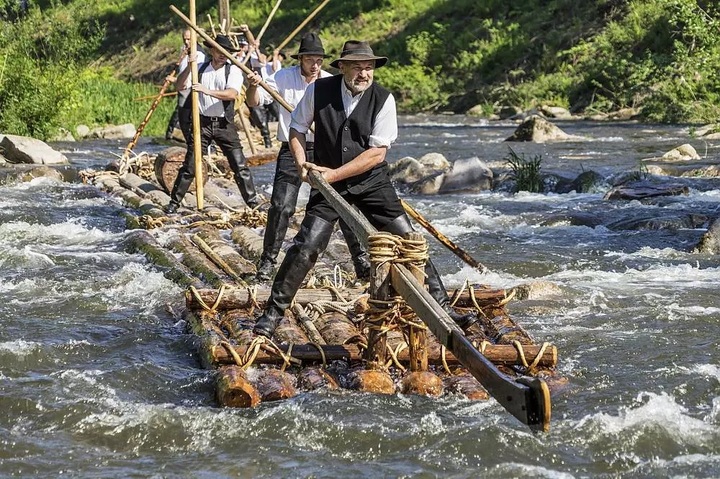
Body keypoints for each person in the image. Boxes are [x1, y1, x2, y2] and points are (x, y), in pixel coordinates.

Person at [253, 40, 476, 338]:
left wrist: (333, 175)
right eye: (357, 66)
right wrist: (302, 162)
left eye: (368, 67)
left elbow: (376, 155)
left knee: (409, 241)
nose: (363, 73)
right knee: (306, 247)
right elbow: (296, 129)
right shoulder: (318, 91)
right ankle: (272, 314)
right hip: (327, 185)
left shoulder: (384, 99)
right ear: (342, 67)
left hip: (371, 183)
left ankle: (442, 309)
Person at [245, 33, 370, 282]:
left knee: (343, 205)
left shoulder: (331, 82)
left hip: (325, 151)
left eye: (319, 60)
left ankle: (362, 262)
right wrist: (252, 85)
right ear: (300, 59)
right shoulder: (282, 77)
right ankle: (267, 263)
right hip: (292, 149)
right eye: (310, 59)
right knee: (282, 206)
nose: (315, 65)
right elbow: (255, 102)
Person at [165, 34, 260, 214]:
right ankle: (174, 203)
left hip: (224, 124)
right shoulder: (200, 69)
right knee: (191, 165)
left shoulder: (232, 71)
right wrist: (189, 66)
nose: (224, 55)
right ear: (212, 50)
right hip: (203, 124)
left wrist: (206, 90)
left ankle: (253, 202)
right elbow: (179, 86)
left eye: (227, 52)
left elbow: (232, 94)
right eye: (220, 51)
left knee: (239, 165)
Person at [165, 28, 206, 141]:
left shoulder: (199, 54)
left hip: (189, 91)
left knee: (186, 119)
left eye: (189, 39)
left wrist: (175, 80)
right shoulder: (185, 51)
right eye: (185, 39)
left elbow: (194, 76)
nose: (187, 42)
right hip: (183, 89)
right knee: (181, 117)